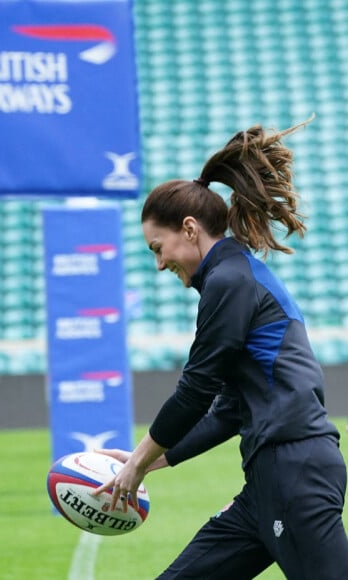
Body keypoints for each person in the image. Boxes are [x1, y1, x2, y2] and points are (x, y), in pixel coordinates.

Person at [94, 115, 348, 579]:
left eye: (158, 247)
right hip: (271, 478)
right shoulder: (231, 275)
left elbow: (196, 387)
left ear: (189, 229)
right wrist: (151, 460)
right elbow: (228, 410)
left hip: (294, 472)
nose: (159, 263)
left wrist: (138, 461)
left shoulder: (229, 281)